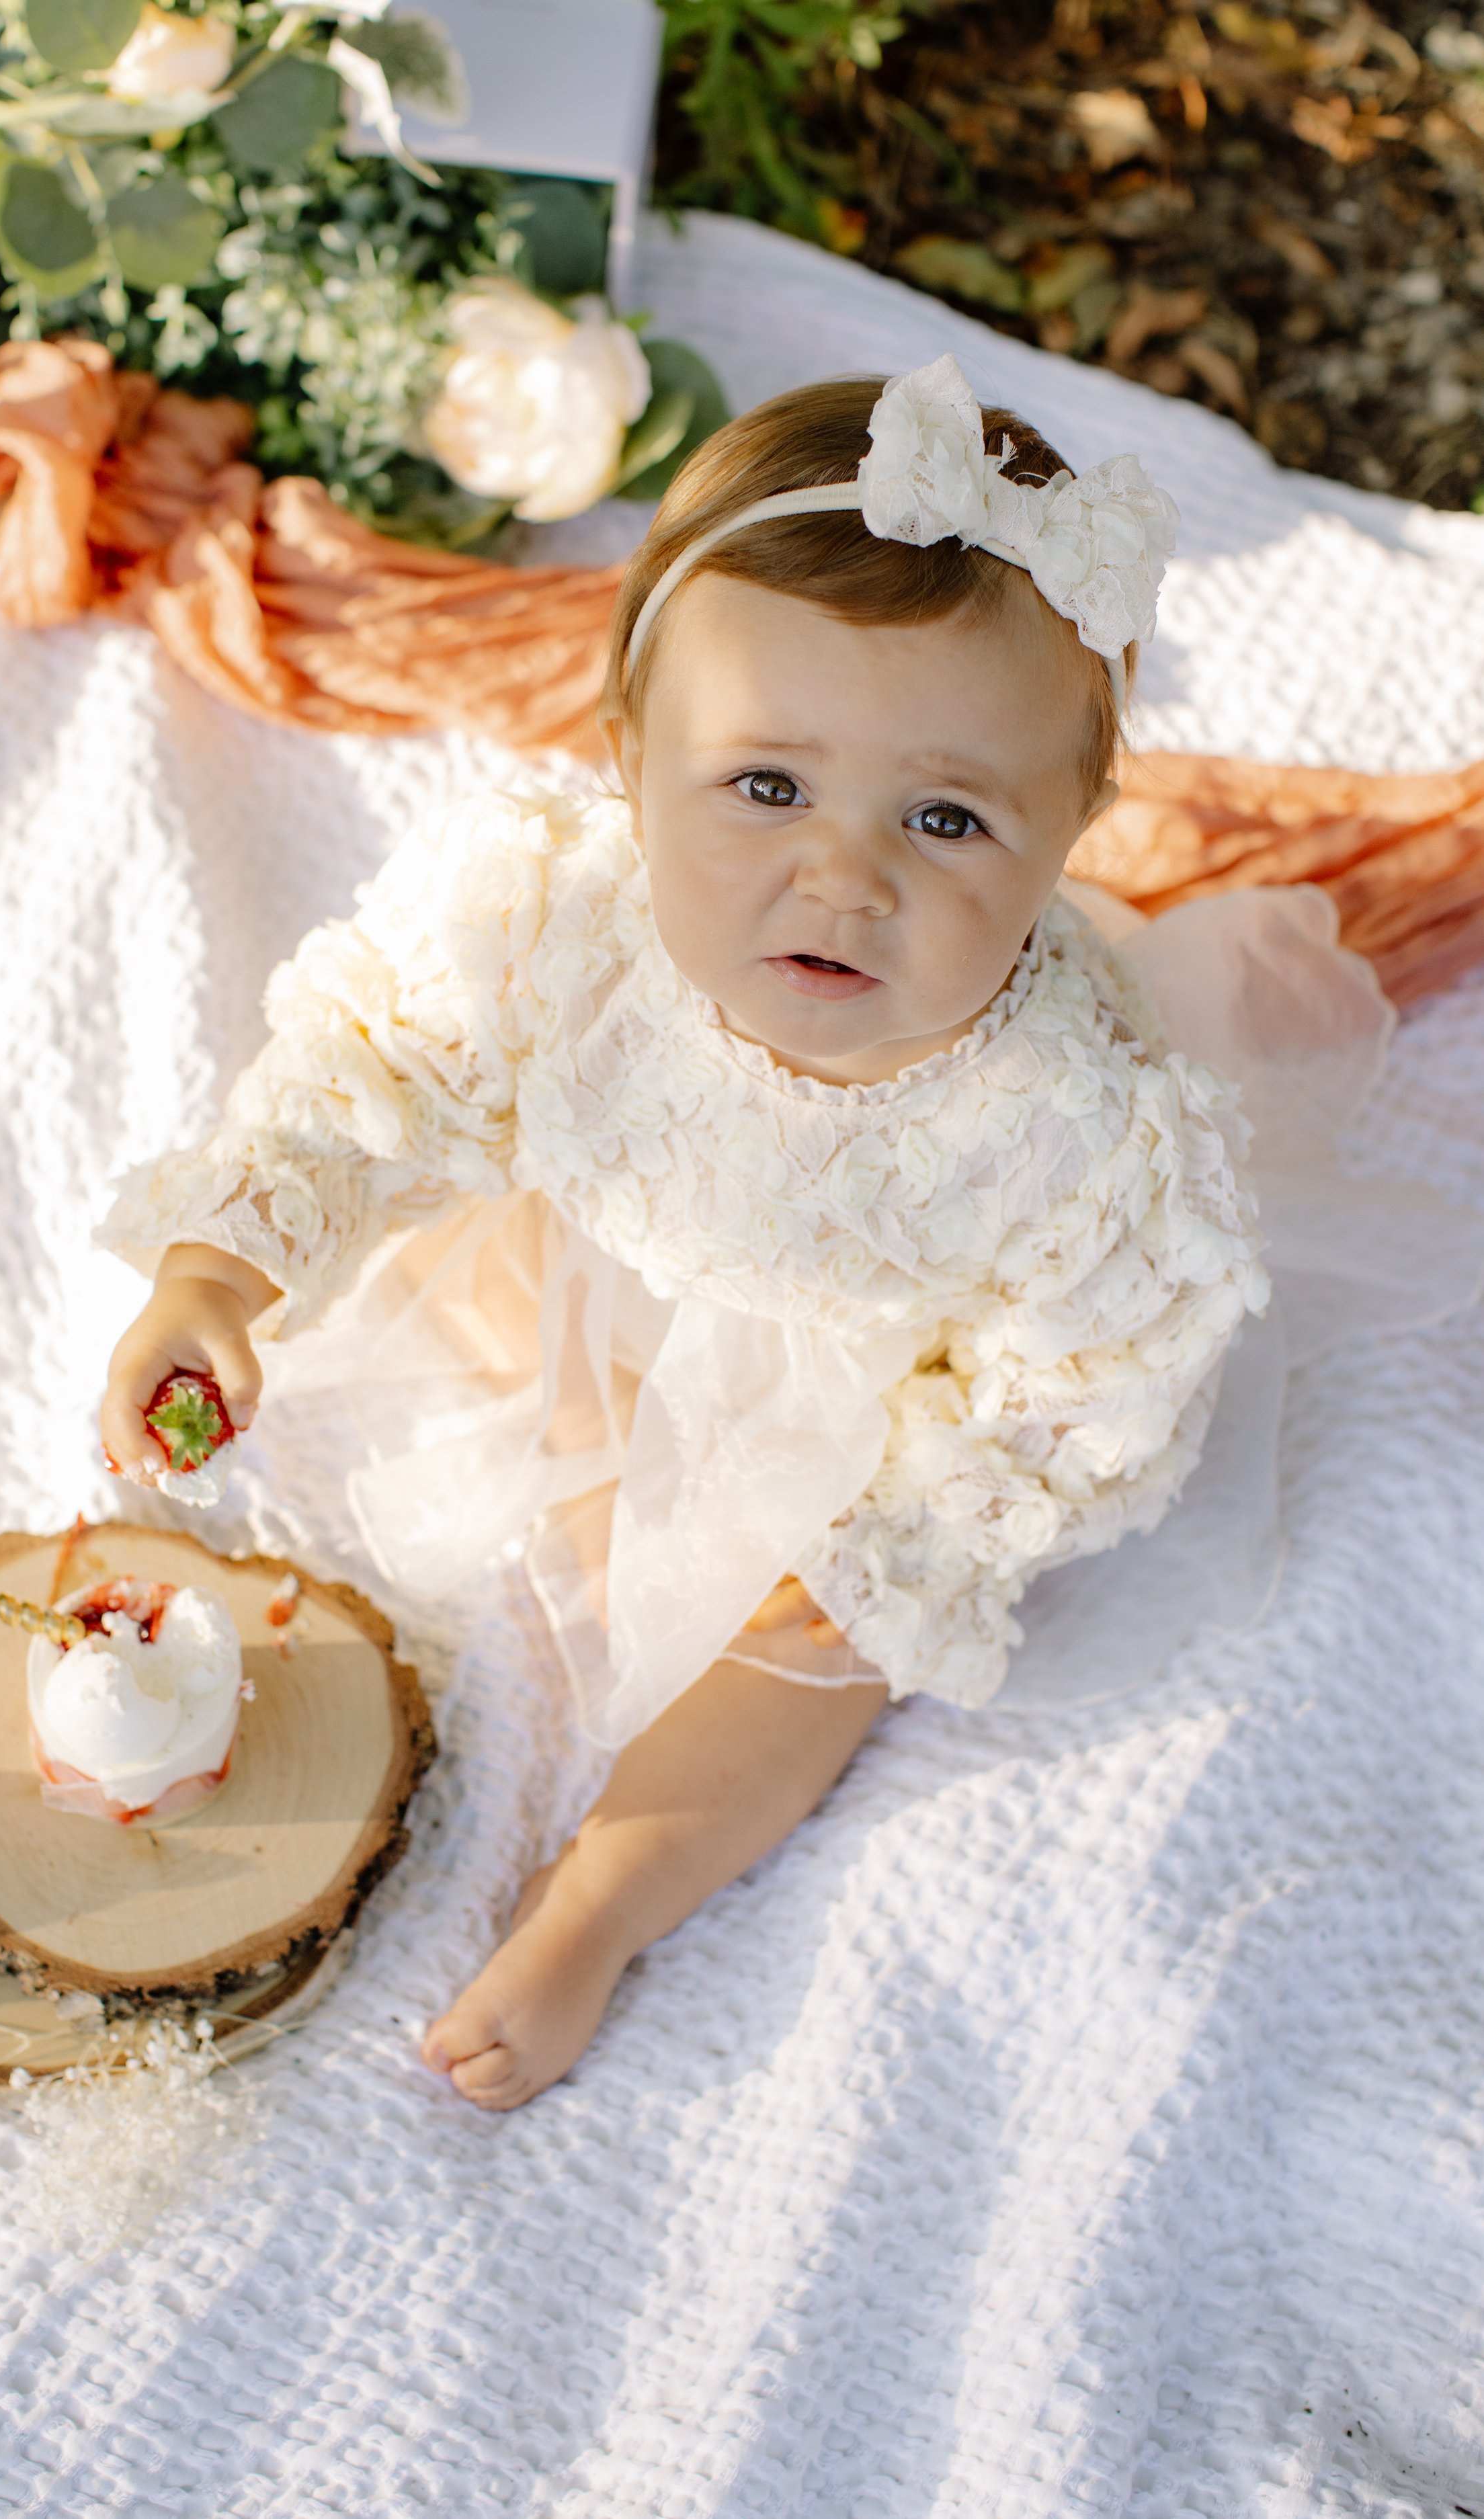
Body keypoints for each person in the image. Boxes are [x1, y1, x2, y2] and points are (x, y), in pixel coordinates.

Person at [95, 356, 1362, 2108]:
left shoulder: (1077, 1148)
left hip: (862, 1393)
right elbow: (359, 1074)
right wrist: (216, 1273)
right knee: (469, 1292)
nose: (841, 877)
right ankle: (592, 1456)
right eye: (763, 785)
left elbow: (1047, 1410)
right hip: (601, 1252)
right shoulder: (559, 918)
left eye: (945, 817)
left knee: (813, 1652)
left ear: (1073, 827)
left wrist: (871, 1539)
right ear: (626, 755)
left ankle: (608, 1896)